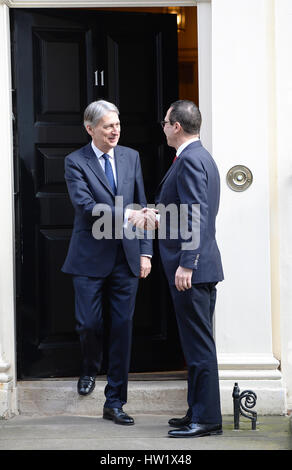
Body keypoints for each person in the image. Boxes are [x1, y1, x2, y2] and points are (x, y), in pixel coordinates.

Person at [62, 100, 155, 425]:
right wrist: (128, 214)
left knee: (122, 329)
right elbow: (85, 206)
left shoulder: (131, 157)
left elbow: (142, 204)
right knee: (88, 324)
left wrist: (145, 252)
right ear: (91, 129)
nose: (115, 130)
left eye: (117, 124)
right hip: (89, 258)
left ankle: (114, 402)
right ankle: (89, 366)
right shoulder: (75, 161)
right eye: (107, 126)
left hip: (126, 258)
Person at [156, 100, 224, 438]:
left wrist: (187, 263)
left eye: (165, 121)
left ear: (176, 126)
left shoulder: (192, 160)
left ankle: (207, 419)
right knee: (195, 344)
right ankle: (197, 411)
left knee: (199, 348)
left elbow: (196, 214)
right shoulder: (200, 157)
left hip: (193, 271)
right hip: (200, 267)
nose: (163, 126)